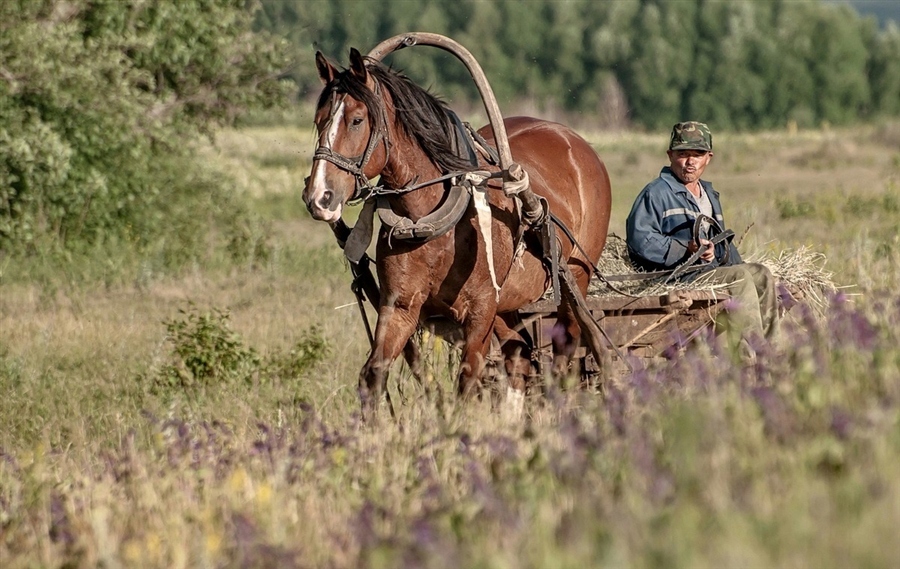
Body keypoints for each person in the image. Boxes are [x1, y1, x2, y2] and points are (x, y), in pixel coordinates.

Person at [625, 121, 778, 351]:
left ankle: (773, 350)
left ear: (708, 157)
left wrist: (727, 258)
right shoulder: (656, 193)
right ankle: (753, 354)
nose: (690, 161)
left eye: (697, 154)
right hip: (679, 276)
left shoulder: (709, 194)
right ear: (670, 155)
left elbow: (721, 243)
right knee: (740, 278)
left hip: (709, 271)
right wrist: (685, 248)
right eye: (683, 154)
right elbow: (639, 240)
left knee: (760, 274)